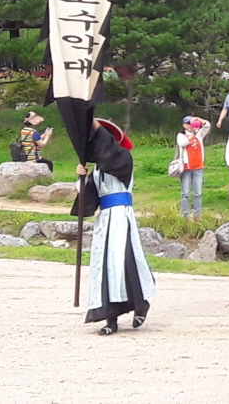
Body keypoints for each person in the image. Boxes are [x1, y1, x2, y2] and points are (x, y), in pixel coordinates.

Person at [79, 118, 155, 335]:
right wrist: (81, 177)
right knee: (106, 267)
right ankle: (110, 319)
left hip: (121, 217)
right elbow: (89, 200)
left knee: (124, 262)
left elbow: (108, 153)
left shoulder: (122, 158)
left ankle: (140, 303)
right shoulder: (96, 170)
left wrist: (92, 121)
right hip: (105, 220)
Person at [176, 116, 211, 220]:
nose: (190, 126)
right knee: (185, 193)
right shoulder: (181, 135)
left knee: (198, 193)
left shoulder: (199, 134)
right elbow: (183, 143)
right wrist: (193, 134)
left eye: (191, 123)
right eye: (188, 124)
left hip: (198, 167)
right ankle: (185, 215)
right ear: (183, 125)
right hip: (186, 167)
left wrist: (198, 119)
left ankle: (197, 214)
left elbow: (207, 126)